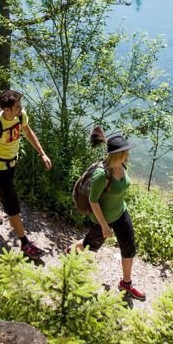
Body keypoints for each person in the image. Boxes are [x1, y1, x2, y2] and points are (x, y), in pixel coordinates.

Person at [69, 126, 146, 301]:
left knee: (129, 247)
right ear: (117, 154)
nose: (128, 154)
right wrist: (104, 225)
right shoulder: (101, 175)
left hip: (121, 213)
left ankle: (126, 283)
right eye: (125, 152)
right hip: (102, 219)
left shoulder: (122, 164)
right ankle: (70, 252)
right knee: (90, 245)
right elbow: (93, 201)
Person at [0, 90, 52, 259]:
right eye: (18, 106)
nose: (21, 108)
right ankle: (25, 243)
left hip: (12, 162)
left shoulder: (20, 115)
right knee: (12, 206)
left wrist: (42, 153)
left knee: (2, 186)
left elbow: (28, 132)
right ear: (7, 110)